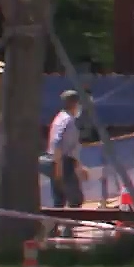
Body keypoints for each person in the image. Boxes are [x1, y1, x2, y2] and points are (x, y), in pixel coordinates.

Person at [46, 90, 88, 236]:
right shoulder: (68, 121)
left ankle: (52, 230)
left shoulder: (59, 117)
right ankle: (67, 231)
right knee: (75, 198)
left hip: (58, 161)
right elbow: (58, 144)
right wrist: (59, 167)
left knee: (59, 200)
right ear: (74, 103)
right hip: (63, 162)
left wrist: (78, 166)